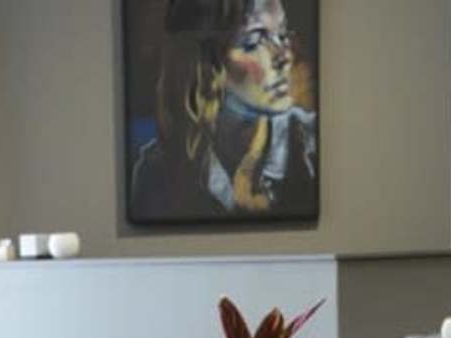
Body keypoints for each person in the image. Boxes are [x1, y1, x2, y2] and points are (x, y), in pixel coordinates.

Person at [128, 0, 317, 225]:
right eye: (255, 40)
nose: (284, 56)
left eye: (283, 34)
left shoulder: (311, 145)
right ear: (207, 62)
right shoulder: (155, 171)